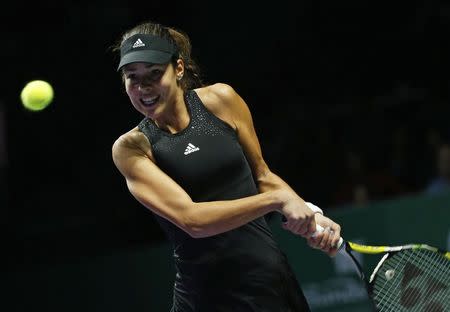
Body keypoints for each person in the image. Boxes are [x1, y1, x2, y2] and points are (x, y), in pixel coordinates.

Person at [111, 20, 341, 312]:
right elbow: (192, 219)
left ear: (178, 69)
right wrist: (277, 201)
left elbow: (264, 176)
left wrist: (310, 217)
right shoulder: (132, 148)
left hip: (269, 281)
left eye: (155, 74)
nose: (144, 88)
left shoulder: (221, 100)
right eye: (133, 77)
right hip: (205, 297)